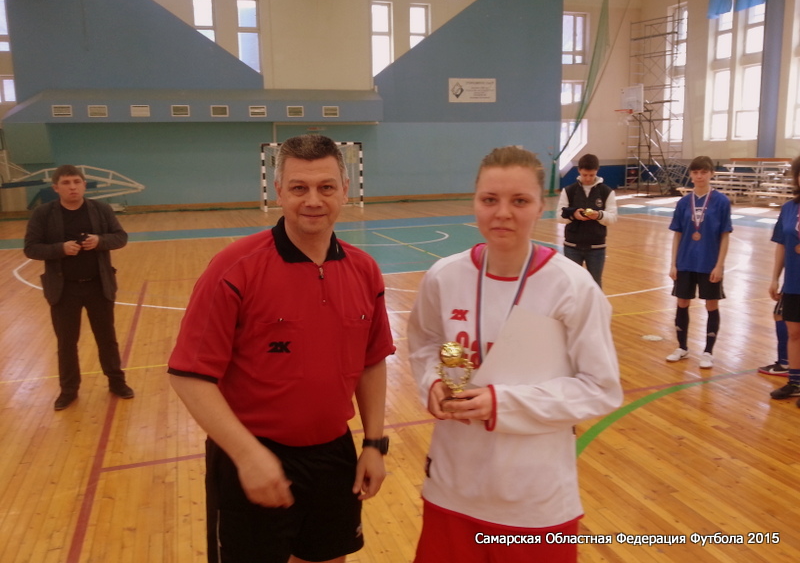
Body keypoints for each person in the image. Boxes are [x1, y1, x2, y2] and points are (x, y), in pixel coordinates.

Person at [168, 134, 395, 563]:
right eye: (299, 188)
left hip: (333, 456)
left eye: (326, 187)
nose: (313, 200)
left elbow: (371, 362)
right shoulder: (234, 268)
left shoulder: (365, 270)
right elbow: (189, 376)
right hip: (249, 456)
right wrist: (247, 455)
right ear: (279, 192)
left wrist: (373, 444)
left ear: (345, 190)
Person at [407, 146, 622, 563]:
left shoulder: (572, 287)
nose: (502, 213)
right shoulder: (444, 276)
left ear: (541, 207)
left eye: (519, 201)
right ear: (474, 202)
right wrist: (432, 382)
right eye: (490, 199)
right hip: (452, 487)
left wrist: (501, 403)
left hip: (534, 500)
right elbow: (426, 344)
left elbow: (601, 389)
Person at [23, 164, 133, 411]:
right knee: (66, 343)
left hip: (98, 287)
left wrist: (100, 241)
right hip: (64, 290)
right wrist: (60, 249)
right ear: (56, 188)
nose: (72, 187)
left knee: (107, 339)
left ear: (84, 185)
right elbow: (31, 248)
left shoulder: (101, 210)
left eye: (76, 182)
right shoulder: (43, 214)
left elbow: (120, 237)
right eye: (66, 183)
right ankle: (68, 391)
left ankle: (117, 383)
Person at [665, 155, 732, 369]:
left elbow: (725, 235)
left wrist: (719, 265)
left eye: (703, 172)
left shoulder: (721, 202)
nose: (699, 176)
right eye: (695, 172)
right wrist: (673, 263)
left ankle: (708, 351)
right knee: (682, 302)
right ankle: (682, 347)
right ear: (691, 175)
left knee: (711, 304)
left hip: (709, 262)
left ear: (711, 173)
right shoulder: (684, 202)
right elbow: (677, 234)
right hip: (685, 261)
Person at [766, 155, 800, 403]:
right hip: (794, 281)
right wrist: (774, 278)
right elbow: (781, 244)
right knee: (794, 332)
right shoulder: (789, 208)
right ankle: (795, 383)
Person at [557, 153, 618, 287]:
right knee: (573, 284)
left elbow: (612, 218)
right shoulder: (569, 191)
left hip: (597, 248)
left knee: (595, 284)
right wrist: (573, 215)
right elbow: (559, 216)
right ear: (579, 170)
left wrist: (599, 215)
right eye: (585, 175)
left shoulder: (606, 192)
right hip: (572, 247)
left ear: (597, 171)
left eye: (591, 175)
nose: (588, 178)